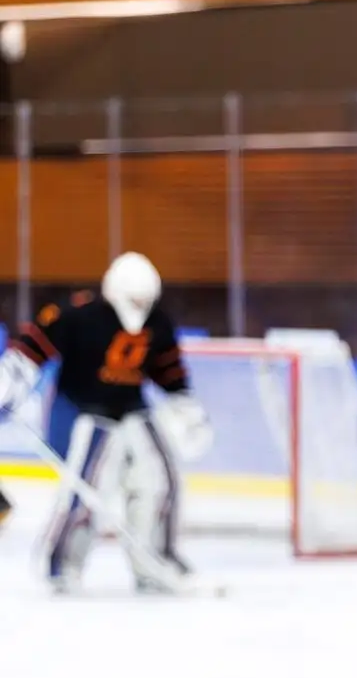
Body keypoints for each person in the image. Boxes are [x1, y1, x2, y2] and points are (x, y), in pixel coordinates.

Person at [0, 252, 212, 593]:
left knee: (161, 483)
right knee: (86, 491)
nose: (140, 307)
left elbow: (169, 372)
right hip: (86, 412)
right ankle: (62, 564)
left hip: (133, 410)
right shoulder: (79, 315)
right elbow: (33, 348)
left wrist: (186, 409)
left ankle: (156, 561)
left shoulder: (158, 322)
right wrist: (9, 378)